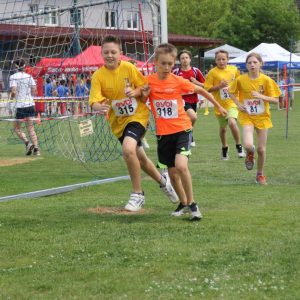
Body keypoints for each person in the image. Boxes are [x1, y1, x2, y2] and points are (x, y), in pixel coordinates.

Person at [89, 35, 178, 212]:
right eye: (106, 52)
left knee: (128, 150)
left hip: (138, 116)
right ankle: (163, 182)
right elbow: (94, 102)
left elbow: (145, 87)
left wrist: (135, 91)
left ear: (120, 53)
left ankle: (137, 194)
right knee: (140, 157)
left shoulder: (129, 68)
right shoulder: (98, 76)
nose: (110, 55)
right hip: (118, 123)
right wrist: (98, 106)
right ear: (101, 53)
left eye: (113, 52)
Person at [142, 43, 227, 221]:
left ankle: (193, 203)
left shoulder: (178, 81)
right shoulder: (149, 81)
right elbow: (141, 98)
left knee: (181, 166)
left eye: (170, 64)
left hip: (182, 129)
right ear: (156, 62)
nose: (166, 68)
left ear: (174, 64)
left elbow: (202, 90)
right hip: (163, 134)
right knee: (172, 173)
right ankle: (183, 202)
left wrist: (219, 106)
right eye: (163, 63)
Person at [229, 52, 281, 185]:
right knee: (247, 144)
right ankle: (249, 154)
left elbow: (276, 100)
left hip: (263, 117)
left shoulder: (267, 80)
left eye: (255, 62)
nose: (252, 65)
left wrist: (261, 96)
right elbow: (231, 92)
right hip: (247, 116)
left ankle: (260, 174)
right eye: (249, 63)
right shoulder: (241, 79)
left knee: (261, 149)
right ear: (246, 65)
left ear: (260, 64)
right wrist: (238, 104)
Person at [204, 50, 245, 160]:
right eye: (219, 59)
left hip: (232, 103)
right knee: (223, 129)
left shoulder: (234, 70)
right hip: (219, 105)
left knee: (232, 122)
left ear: (228, 59)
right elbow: (207, 89)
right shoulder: (212, 73)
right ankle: (224, 148)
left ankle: (239, 146)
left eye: (223, 59)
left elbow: (239, 83)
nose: (221, 61)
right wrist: (219, 86)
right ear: (215, 60)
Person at [172, 49, 205, 147]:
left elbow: (205, 85)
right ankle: (188, 135)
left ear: (190, 59)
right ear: (179, 60)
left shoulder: (195, 71)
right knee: (193, 117)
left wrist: (196, 82)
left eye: (186, 58)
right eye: (182, 58)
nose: (185, 60)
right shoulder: (176, 72)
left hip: (193, 99)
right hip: (181, 100)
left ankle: (188, 136)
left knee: (189, 120)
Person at [9, 58, 40, 156]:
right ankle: (36, 150)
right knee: (31, 128)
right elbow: (34, 90)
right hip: (30, 104)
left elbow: (13, 91)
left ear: (16, 66)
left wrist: (12, 98)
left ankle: (27, 143)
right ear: (24, 66)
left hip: (20, 105)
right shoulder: (29, 76)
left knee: (16, 128)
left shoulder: (13, 76)